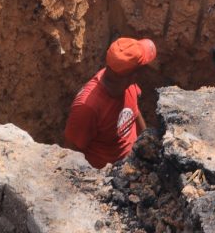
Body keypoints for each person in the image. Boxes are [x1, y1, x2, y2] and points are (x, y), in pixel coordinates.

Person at [65, 37, 157, 169]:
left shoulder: (126, 82)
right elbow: (70, 152)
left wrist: (148, 141)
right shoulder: (87, 107)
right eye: (143, 66)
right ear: (134, 75)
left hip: (132, 162)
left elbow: (134, 112)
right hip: (106, 175)